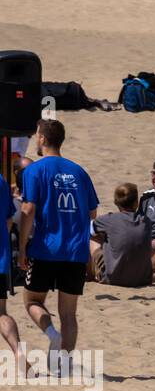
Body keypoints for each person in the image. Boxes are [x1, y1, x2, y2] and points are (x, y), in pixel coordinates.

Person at [17, 119, 98, 374]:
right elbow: (93, 212)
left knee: (32, 301)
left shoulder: (35, 170)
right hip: (75, 250)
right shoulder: (79, 171)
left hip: (46, 247)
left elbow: (28, 210)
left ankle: (51, 333)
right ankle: (62, 365)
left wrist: (22, 247)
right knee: (69, 313)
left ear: (42, 139)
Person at [88, 184, 154, 288]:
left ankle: (91, 275)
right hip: (142, 279)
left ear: (116, 202)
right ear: (136, 203)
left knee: (92, 237)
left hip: (113, 278)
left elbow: (88, 230)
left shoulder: (109, 220)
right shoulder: (146, 221)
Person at [0, 176, 21, 364]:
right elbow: (9, 221)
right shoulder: (1, 181)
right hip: (0, 258)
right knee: (1, 313)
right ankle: (17, 352)